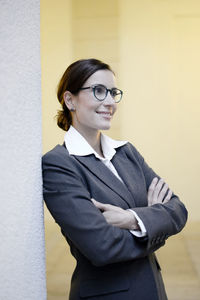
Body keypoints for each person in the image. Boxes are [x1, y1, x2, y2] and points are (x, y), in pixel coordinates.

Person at [42, 58, 188, 300]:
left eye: (113, 92)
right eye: (99, 91)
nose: (110, 102)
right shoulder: (59, 164)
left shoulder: (126, 152)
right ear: (70, 100)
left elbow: (178, 210)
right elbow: (102, 247)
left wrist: (131, 219)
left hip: (153, 290)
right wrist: (153, 223)